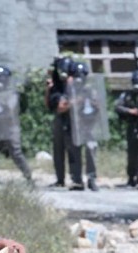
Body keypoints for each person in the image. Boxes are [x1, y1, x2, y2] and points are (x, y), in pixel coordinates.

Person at [0, 65, 34, 185]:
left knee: (16, 153)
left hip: (10, 128)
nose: (0, 82)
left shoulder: (12, 93)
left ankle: (28, 177)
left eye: (2, 79)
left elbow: (10, 109)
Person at [66, 61, 99, 191]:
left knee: (91, 149)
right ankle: (77, 180)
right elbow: (63, 105)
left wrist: (95, 104)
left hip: (89, 125)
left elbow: (98, 107)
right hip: (74, 125)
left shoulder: (91, 90)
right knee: (74, 153)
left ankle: (91, 178)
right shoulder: (69, 90)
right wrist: (74, 102)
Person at [114, 69, 138, 187]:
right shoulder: (127, 95)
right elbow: (118, 107)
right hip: (132, 126)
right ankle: (131, 177)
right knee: (132, 154)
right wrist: (130, 111)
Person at [45, 55, 73, 188]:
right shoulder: (56, 86)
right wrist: (48, 88)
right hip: (59, 119)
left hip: (73, 120)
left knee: (73, 150)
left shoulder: (74, 83)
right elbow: (49, 104)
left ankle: (76, 178)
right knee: (58, 150)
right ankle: (60, 179)